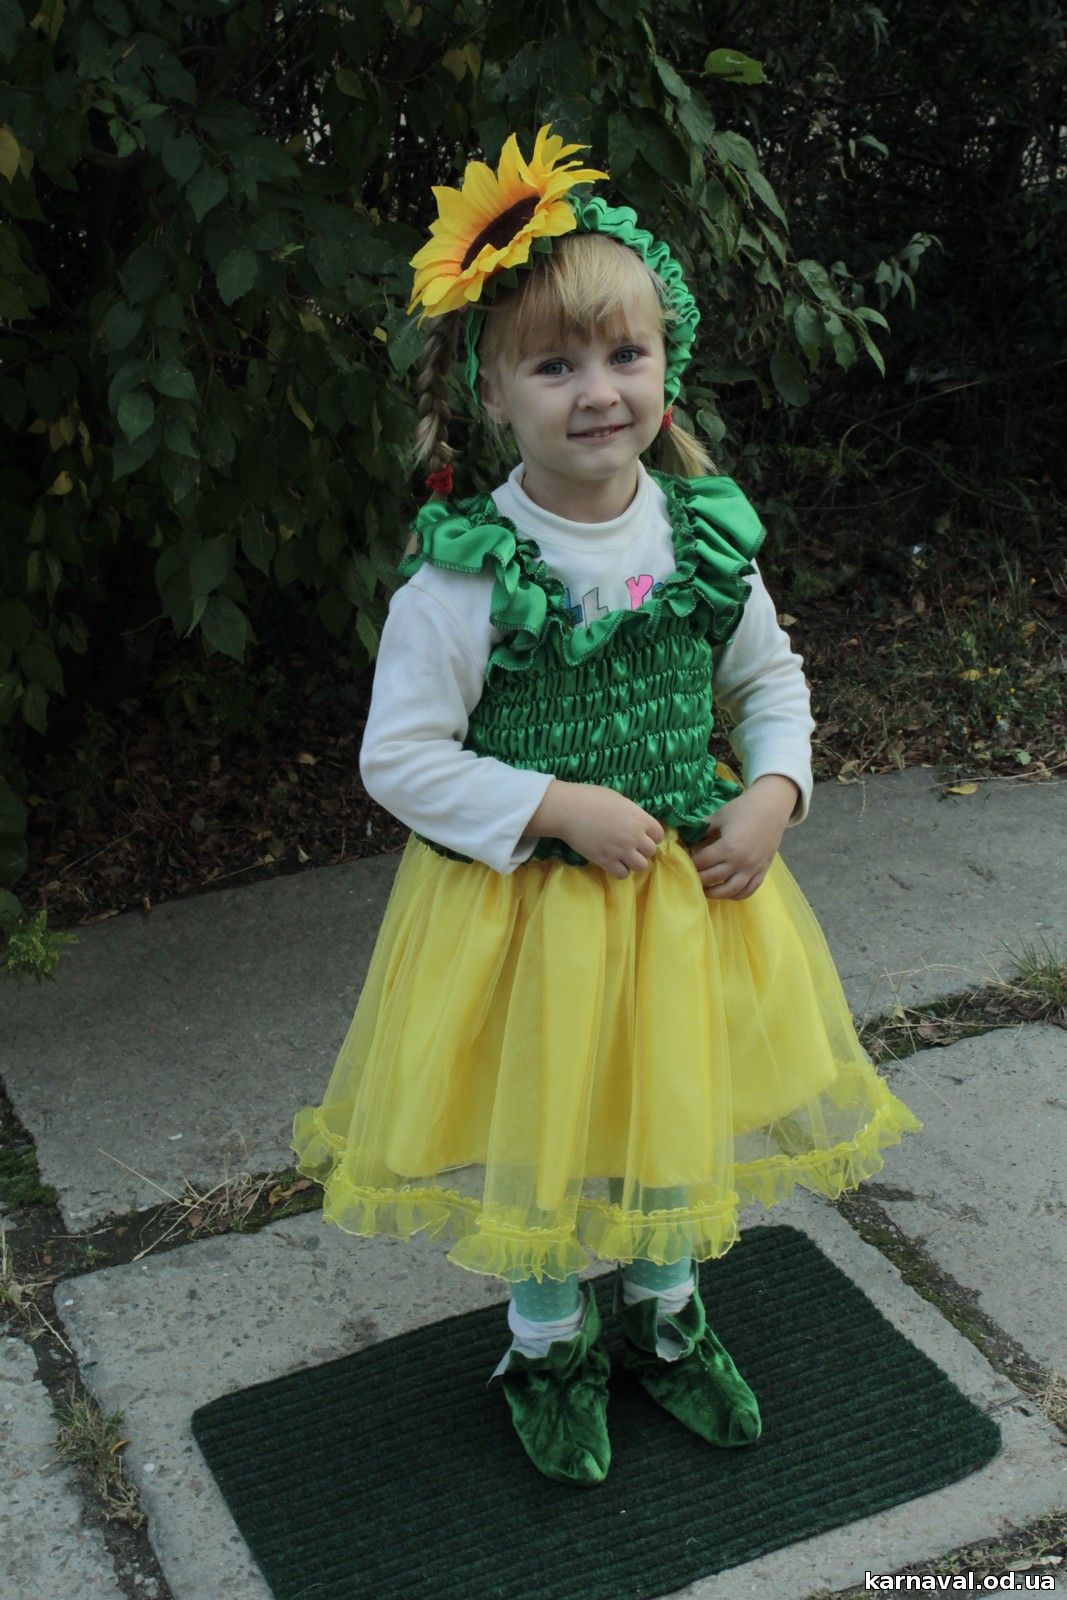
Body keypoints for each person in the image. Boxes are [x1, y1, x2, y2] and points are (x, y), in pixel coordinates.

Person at [291, 125, 921, 1489]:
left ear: (665, 362)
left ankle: (667, 1317)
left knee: (669, 1107)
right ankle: (546, 1342)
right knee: (555, 1135)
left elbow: (768, 680)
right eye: (554, 365)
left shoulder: (700, 533)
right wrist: (556, 804)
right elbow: (401, 758)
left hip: (688, 901)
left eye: (624, 355)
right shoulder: (469, 574)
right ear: (491, 390)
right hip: (534, 918)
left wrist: (774, 791)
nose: (597, 392)